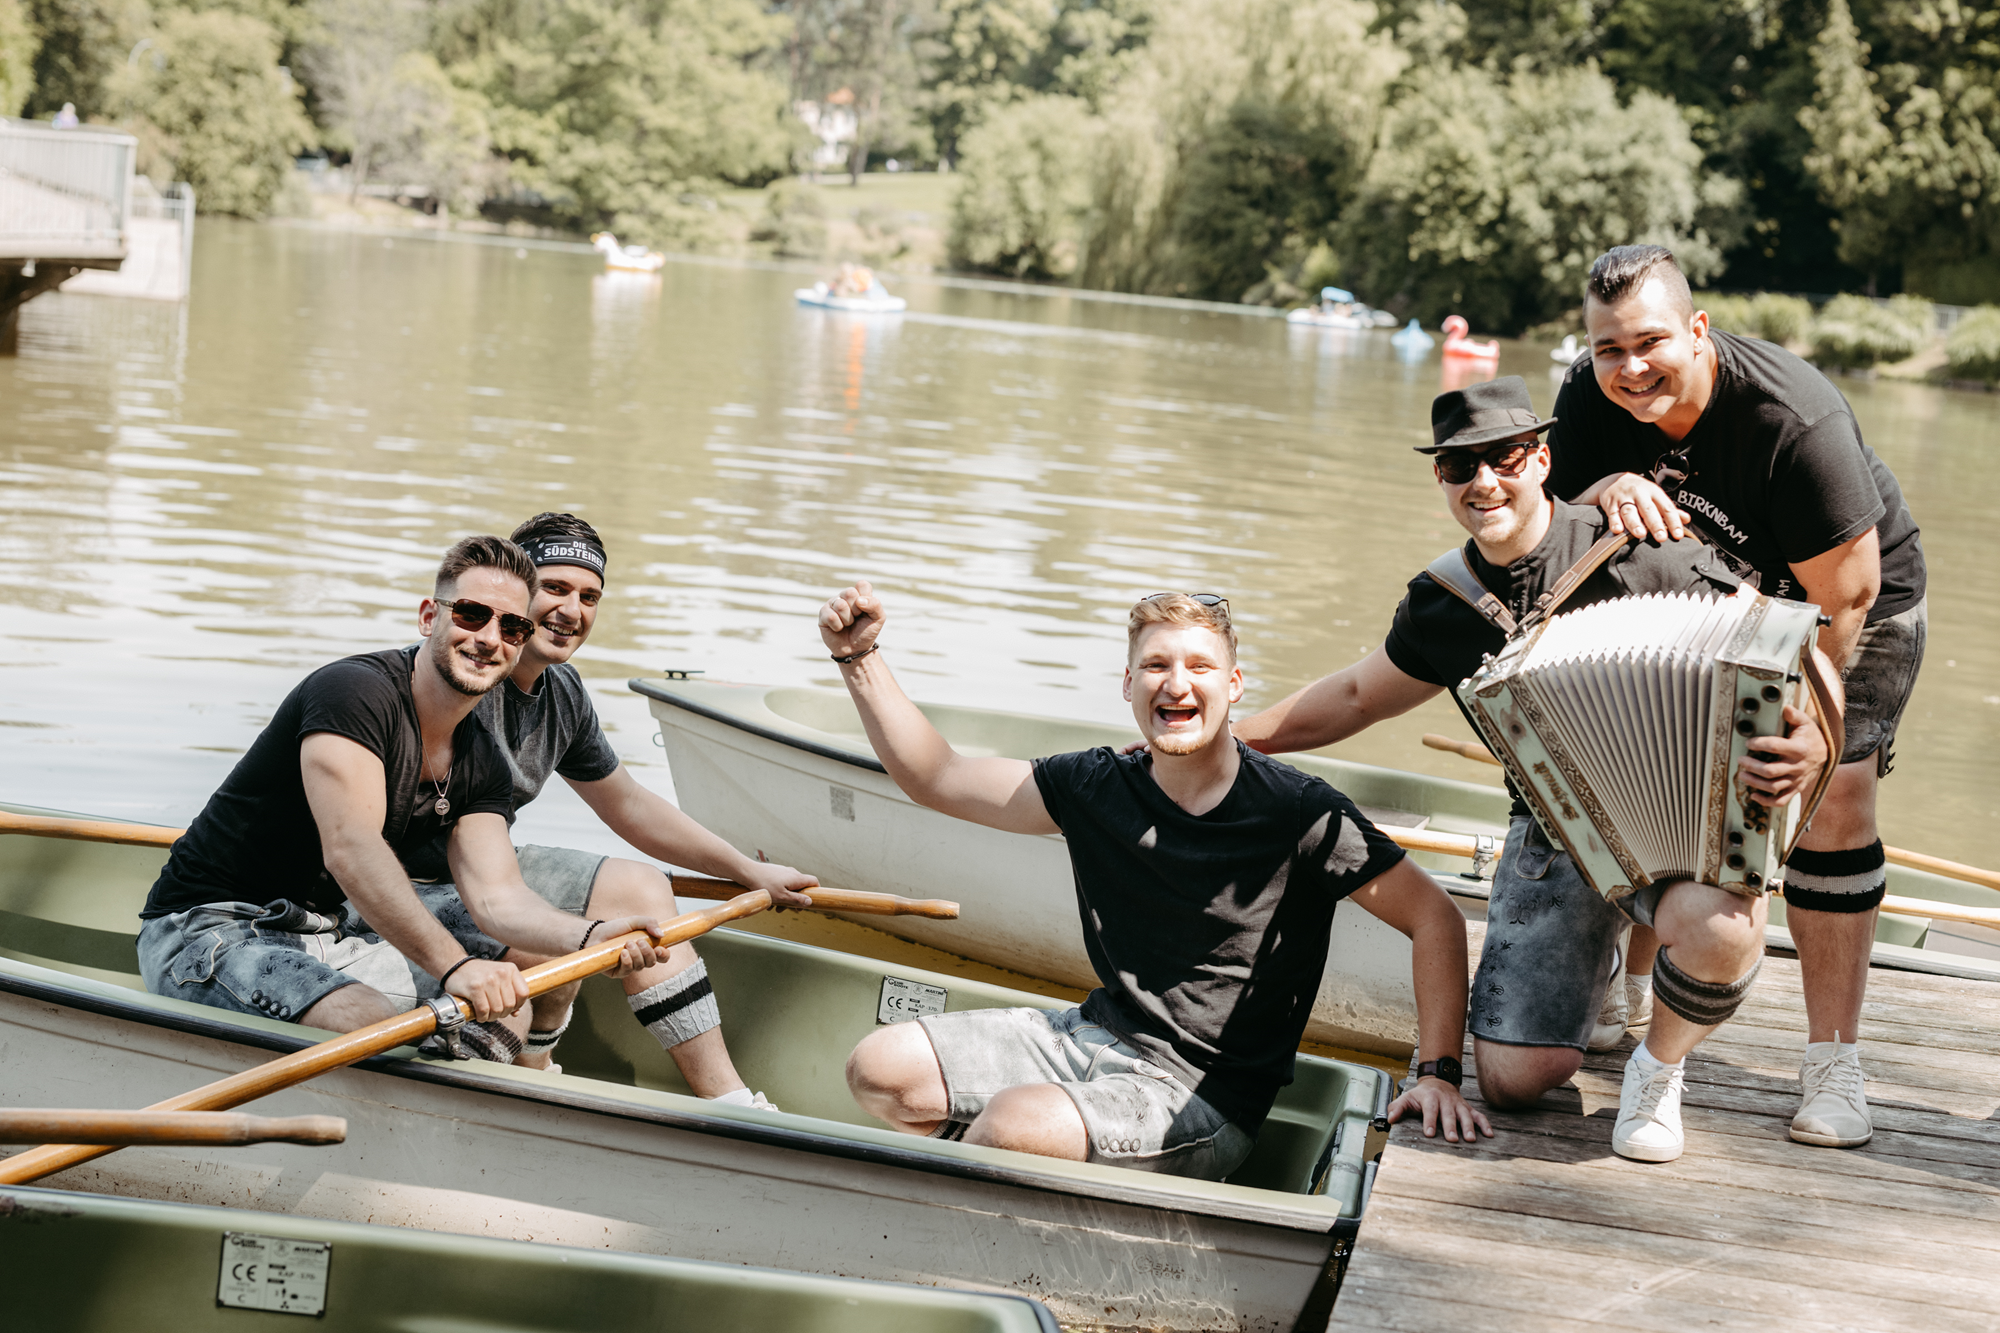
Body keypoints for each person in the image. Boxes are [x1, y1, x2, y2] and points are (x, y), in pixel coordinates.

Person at [1231, 376, 1830, 1162]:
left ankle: (1658, 1068)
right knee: (1514, 1079)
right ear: (1439, 479)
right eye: (1459, 466)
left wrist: (1816, 738)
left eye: (1504, 456)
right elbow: (1351, 695)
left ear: (1542, 457)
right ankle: (1615, 966)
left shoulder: (1639, 549)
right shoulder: (1445, 603)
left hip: (1680, 830)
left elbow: (1795, 643)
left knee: (1724, 926)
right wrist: (1228, 736)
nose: (1484, 481)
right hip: (1556, 831)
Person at [817, 582, 1490, 1178]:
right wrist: (860, 658)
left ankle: (994, 1186)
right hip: (1086, 1037)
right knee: (880, 1070)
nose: (1176, 683)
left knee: (1012, 1124)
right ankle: (1019, 1183)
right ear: (1128, 683)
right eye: (1157, 665)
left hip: (1200, 1098)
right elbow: (938, 776)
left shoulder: (1298, 809)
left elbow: (1435, 916)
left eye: (1199, 666)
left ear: (1232, 685)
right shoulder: (1094, 783)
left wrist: (1438, 1075)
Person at [1548, 245, 1926, 1150]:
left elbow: (1849, 596)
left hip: (1844, 601)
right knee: (1676, 771)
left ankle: (1833, 1062)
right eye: (1609, 349)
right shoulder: (1586, 395)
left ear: (1699, 331)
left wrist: (1806, 723)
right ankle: (1638, 985)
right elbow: (1551, 517)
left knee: (1828, 798)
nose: (1630, 369)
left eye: (1650, 343)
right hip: (1707, 600)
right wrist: (1604, 486)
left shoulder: (1792, 415)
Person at [137, 536, 669, 1050]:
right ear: (428, 616)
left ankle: (478, 1112)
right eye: (470, 614)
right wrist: (455, 967)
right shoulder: (353, 694)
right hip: (211, 930)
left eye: (511, 626)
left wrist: (592, 936)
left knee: (514, 1003)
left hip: (330, 932)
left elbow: (497, 897)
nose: (489, 638)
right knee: (369, 1023)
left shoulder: (482, 758)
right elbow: (352, 849)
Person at [414, 512, 817, 1106]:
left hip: (485, 870)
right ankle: (533, 1074)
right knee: (558, 945)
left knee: (638, 887)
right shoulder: (458, 670)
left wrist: (747, 871)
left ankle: (724, 1102)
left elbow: (627, 804)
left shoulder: (564, 691)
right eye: (554, 588)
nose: (571, 611)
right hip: (408, 885)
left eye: (589, 597)